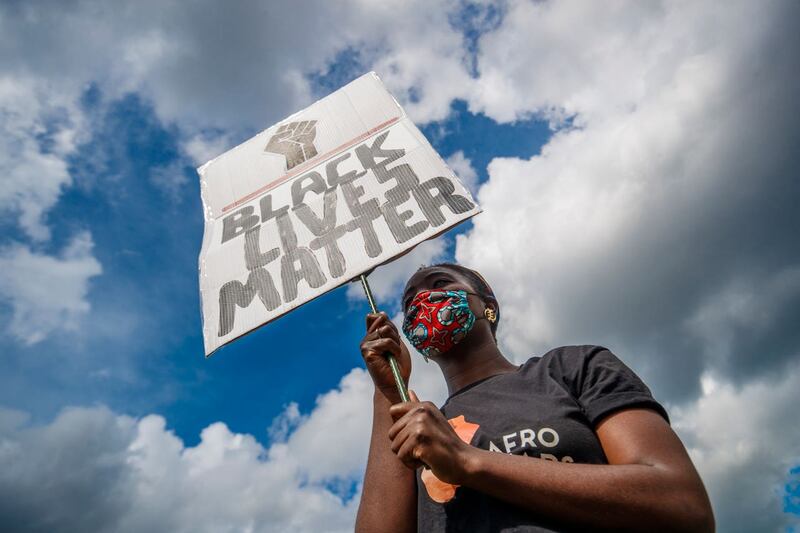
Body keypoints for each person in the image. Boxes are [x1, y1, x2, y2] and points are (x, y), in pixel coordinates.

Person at [355, 262, 714, 532]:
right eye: (409, 301)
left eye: (440, 283)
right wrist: (386, 392)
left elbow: (680, 504)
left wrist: (468, 462)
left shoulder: (573, 367)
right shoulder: (419, 432)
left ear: (487, 306)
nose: (422, 299)